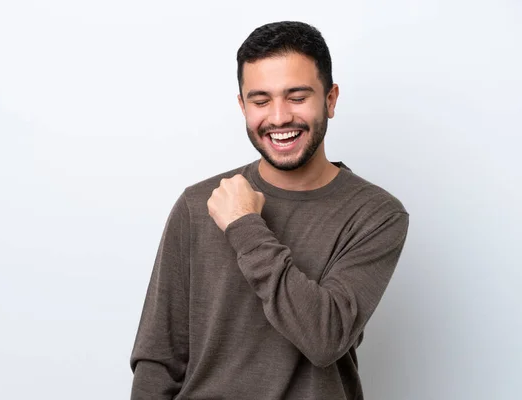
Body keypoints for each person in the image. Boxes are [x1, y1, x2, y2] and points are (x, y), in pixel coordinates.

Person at [129, 20, 409, 400]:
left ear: (330, 99)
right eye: (261, 101)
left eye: (297, 97)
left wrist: (245, 226)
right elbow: (158, 359)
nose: (278, 118)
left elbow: (324, 338)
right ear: (243, 106)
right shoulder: (198, 205)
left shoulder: (376, 214)